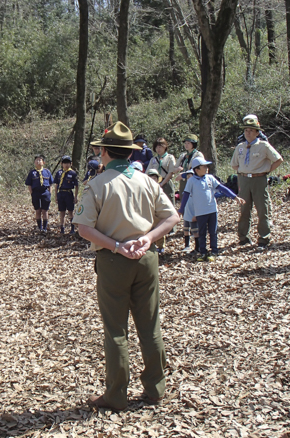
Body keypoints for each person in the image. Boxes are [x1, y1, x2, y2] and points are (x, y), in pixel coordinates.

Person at [73, 121, 179, 411]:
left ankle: (116, 394)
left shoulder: (97, 184)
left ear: (105, 152)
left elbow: (83, 228)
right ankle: (156, 389)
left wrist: (118, 246)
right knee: (150, 325)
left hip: (113, 261)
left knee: (116, 329)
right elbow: (172, 218)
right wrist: (147, 238)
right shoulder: (147, 181)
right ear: (130, 154)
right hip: (147, 260)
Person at [230, 115, 283, 250]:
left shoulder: (263, 146)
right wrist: (243, 172)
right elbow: (234, 164)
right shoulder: (240, 147)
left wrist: (266, 170)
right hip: (243, 179)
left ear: (257, 132)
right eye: (246, 130)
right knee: (244, 209)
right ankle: (243, 237)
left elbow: (278, 159)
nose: (248, 133)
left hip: (259, 179)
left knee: (262, 209)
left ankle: (264, 238)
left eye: (251, 130)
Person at [179, 157, 245, 262]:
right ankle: (203, 252)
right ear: (197, 169)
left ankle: (214, 251)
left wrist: (235, 197)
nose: (206, 168)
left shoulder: (210, 178)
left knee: (213, 232)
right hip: (200, 212)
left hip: (212, 210)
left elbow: (223, 188)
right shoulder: (191, 181)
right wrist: (180, 210)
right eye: (204, 166)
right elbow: (186, 196)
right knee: (202, 233)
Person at [25, 154, 54, 232]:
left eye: (40, 160)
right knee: (38, 210)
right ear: (34, 162)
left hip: (45, 192)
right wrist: (32, 193)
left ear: (43, 162)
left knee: (45, 210)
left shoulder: (47, 172)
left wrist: (50, 193)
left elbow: (51, 183)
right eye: (36, 160)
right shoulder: (32, 172)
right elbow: (29, 184)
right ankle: (39, 227)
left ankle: (44, 228)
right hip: (36, 193)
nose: (38, 161)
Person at [146, 138, 178, 206]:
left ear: (165, 146)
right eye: (157, 147)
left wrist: (162, 183)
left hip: (166, 183)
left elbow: (171, 172)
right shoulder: (153, 159)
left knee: (169, 204)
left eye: (160, 147)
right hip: (155, 183)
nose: (158, 149)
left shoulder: (170, 157)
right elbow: (147, 172)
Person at [54, 155, 79, 234]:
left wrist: (75, 197)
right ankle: (62, 228)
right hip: (61, 193)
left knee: (70, 211)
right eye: (64, 163)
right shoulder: (59, 173)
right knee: (62, 212)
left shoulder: (73, 173)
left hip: (68, 193)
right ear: (61, 164)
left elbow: (76, 186)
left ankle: (72, 229)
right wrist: (55, 196)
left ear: (71, 163)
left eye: (68, 163)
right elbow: (56, 185)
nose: (66, 164)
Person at [177, 170, 199, 254]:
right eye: (188, 177)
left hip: (193, 213)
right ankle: (187, 246)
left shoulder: (196, 188)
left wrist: (196, 214)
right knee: (186, 230)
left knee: (195, 231)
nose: (189, 178)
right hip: (186, 213)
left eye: (191, 176)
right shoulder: (186, 188)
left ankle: (198, 247)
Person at [147, 169, 167, 254]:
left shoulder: (158, 188)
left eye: (154, 177)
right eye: (150, 177)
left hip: (157, 213)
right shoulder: (144, 188)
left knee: (159, 229)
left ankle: (161, 246)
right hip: (148, 213)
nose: (152, 179)